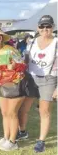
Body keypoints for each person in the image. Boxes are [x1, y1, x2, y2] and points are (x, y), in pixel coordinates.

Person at [24, 15, 57, 153]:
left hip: (49, 79)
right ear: (38, 28)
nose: (45, 29)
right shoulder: (31, 42)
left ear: (53, 27)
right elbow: (25, 61)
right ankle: (22, 131)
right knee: (23, 108)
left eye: (48, 26)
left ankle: (41, 141)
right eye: (42, 26)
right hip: (30, 77)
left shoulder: (56, 42)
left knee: (44, 111)